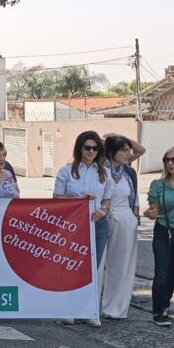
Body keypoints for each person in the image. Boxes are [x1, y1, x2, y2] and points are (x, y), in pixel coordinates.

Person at [54, 130, 111, 327]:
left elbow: (107, 200)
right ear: (80, 148)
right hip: (73, 225)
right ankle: (68, 309)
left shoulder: (104, 172)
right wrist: (77, 200)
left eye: (95, 148)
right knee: (72, 266)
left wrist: (103, 210)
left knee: (92, 269)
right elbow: (57, 199)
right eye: (87, 147)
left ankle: (88, 310)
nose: (91, 151)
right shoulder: (66, 171)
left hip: (98, 224)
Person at [144, 146, 174, 327]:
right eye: (166, 160)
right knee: (164, 275)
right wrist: (151, 213)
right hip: (165, 232)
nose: (170, 163)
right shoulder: (159, 185)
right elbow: (154, 209)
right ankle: (160, 310)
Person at [100, 135, 140, 319]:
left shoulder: (128, 172)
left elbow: (135, 197)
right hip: (102, 215)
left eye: (127, 150)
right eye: (123, 150)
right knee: (99, 263)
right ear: (112, 152)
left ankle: (115, 308)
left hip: (125, 216)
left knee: (121, 265)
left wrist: (135, 218)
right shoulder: (99, 169)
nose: (127, 153)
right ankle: (90, 306)